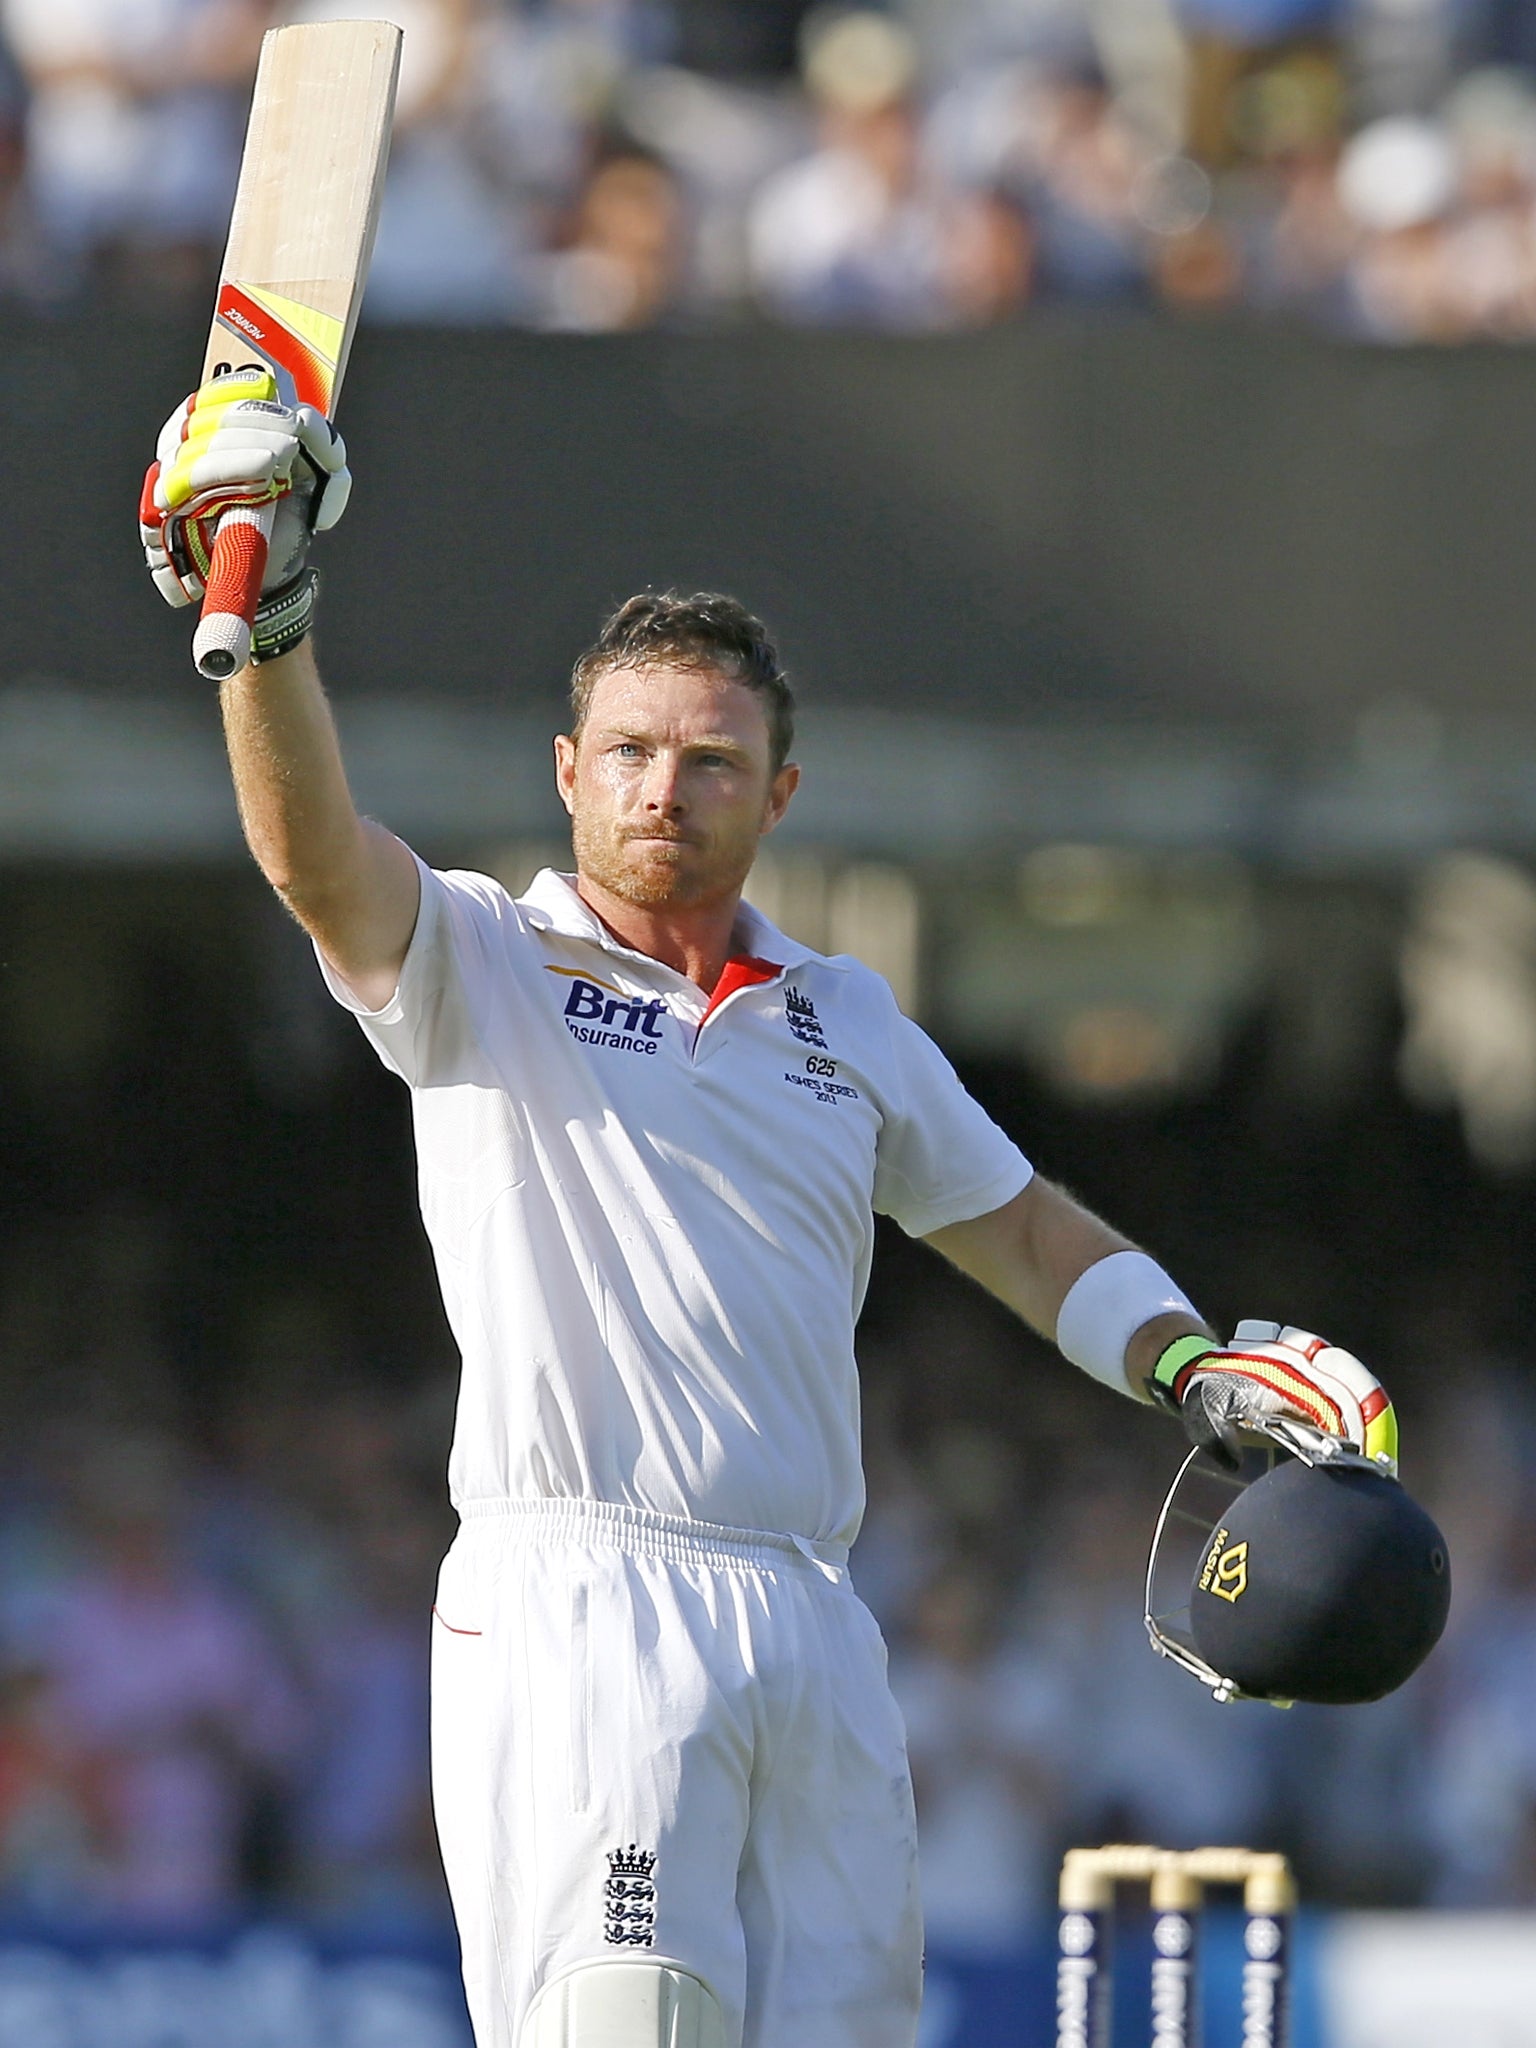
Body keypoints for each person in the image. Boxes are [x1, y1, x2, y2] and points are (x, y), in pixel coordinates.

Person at [138, 375, 1398, 2048]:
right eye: (637, 756)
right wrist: (270, 618)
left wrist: (1189, 1366)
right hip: (580, 1600)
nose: (669, 790)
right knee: (629, 2023)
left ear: (778, 797)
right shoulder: (482, 962)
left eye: (714, 761)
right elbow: (310, 857)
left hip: (810, 1610)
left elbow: (1018, 1230)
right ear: (570, 771)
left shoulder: (845, 1018)